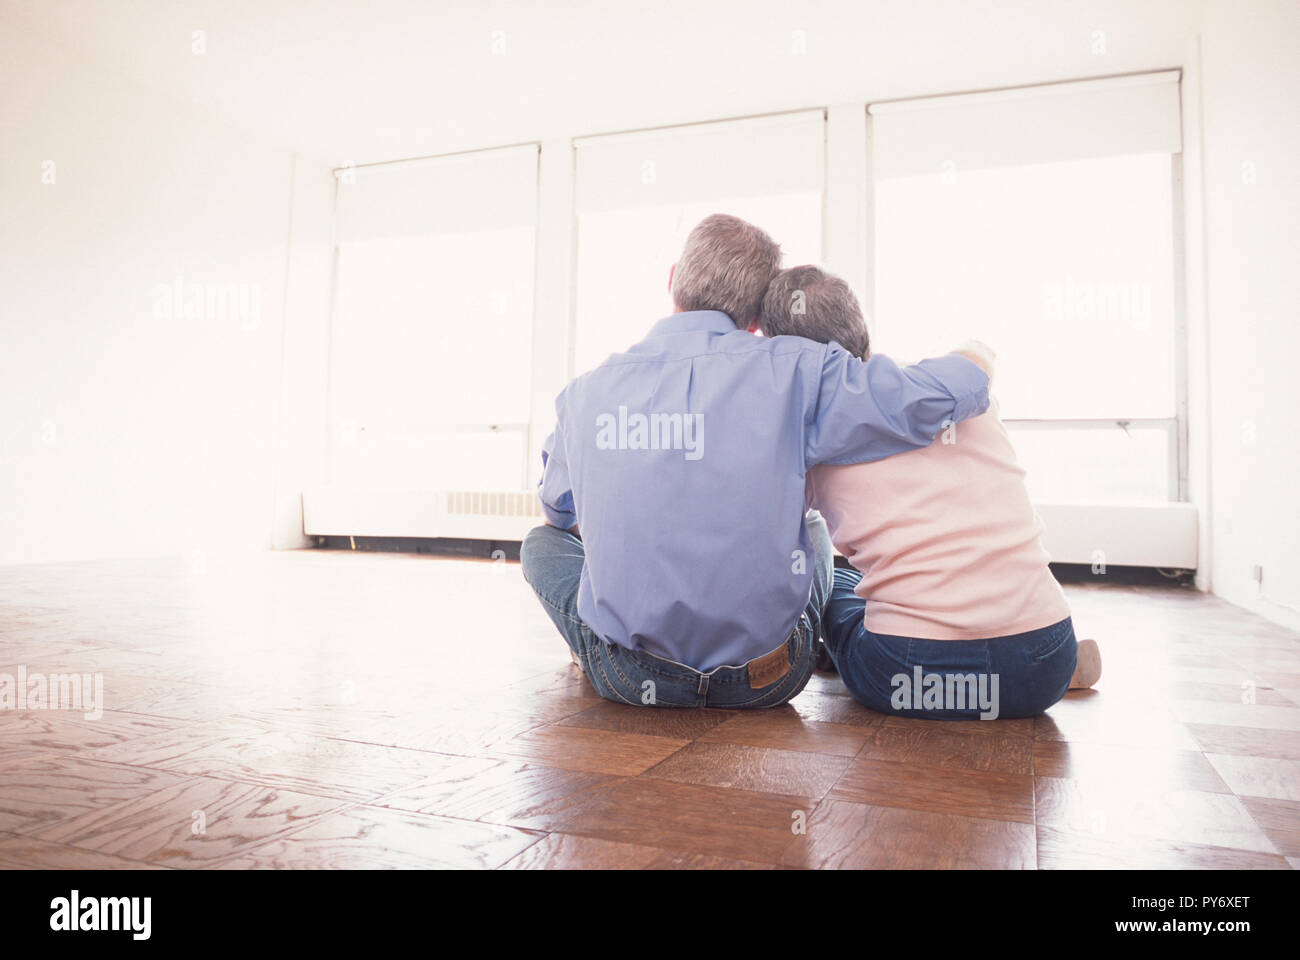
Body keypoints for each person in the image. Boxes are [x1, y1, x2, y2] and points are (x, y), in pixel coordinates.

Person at [519, 215, 992, 708]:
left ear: (673, 278)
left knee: (541, 543)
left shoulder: (582, 395)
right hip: (767, 680)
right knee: (812, 529)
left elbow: (559, 512)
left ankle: (611, 643)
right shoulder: (798, 369)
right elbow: (940, 392)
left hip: (631, 678)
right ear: (757, 317)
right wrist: (975, 357)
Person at [757, 264, 1101, 720]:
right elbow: (977, 356)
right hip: (1043, 659)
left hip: (909, 670)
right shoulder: (961, 396)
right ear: (861, 328)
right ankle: (1052, 671)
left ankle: (837, 651)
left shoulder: (809, 443)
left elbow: (772, 543)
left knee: (835, 589)